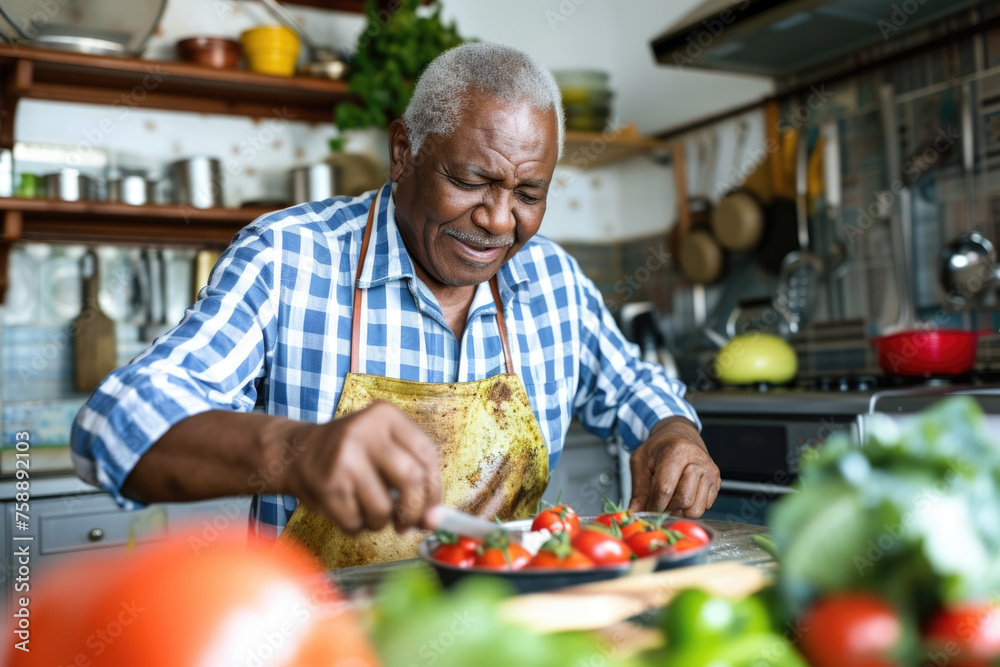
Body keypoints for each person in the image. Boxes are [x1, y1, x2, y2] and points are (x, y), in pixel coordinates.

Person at [71, 42, 720, 568]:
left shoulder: (553, 280)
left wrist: (674, 433)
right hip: (317, 636)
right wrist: (299, 451)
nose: (498, 220)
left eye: (529, 192)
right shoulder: (288, 257)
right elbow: (111, 423)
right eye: (471, 180)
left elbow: (638, 385)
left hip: (501, 635)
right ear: (403, 151)